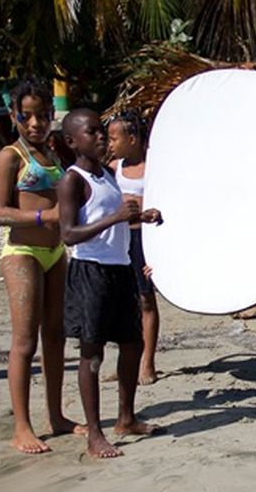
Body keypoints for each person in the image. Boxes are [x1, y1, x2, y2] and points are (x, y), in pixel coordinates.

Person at [58, 109, 162, 458]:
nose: (101, 137)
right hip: (91, 272)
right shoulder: (72, 180)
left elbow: (113, 219)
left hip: (119, 268)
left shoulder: (106, 173)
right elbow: (69, 234)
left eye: (102, 131)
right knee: (92, 352)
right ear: (72, 141)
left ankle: (126, 417)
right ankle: (95, 433)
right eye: (92, 132)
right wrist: (116, 216)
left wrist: (140, 217)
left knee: (132, 343)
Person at [0, 78, 82, 454]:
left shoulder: (54, 153)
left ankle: (56, 415)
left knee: (56, 337)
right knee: (25, 342)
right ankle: (22, 426)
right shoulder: (11, 156)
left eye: (42, 116)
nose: (35, 124)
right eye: (27, 116)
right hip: (23, 254)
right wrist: (45, 216)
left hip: (55, 254)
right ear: (14, 116)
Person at [107, 111, 159, 386]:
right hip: (120, 238)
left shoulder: (153, 168)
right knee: (122, 302)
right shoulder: (114, 168)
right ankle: (126, 360)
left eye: (115, 138)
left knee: (145, 299)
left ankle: (147, 361)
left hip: (144, 239)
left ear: (132, 138)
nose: (110, 143)